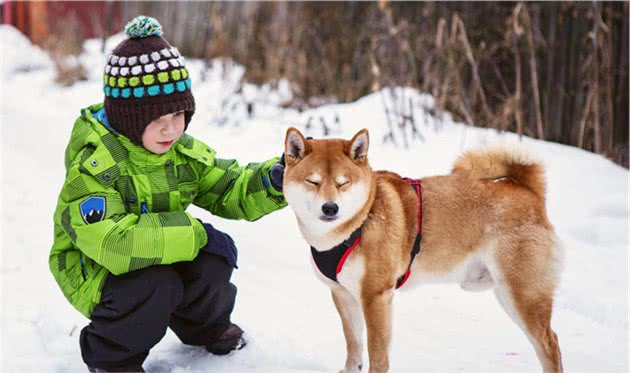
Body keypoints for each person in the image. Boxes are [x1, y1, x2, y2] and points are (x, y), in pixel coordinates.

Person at [49, 16, 286, 373]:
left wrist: (275, 179)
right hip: (94, 267)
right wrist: (195, 234)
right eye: (156, 117)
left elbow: (228, 186)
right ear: (129, 117)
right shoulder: (95, 167)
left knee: (211, 262)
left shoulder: (178, 153)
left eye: (178, 113)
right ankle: (112, 357)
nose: (171, 127)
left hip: (155, 249)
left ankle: (207, 326)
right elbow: (114, 245)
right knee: (154, 283)